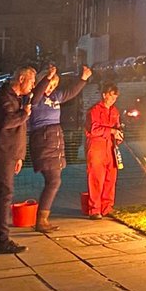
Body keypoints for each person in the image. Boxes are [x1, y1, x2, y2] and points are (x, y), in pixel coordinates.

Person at [0, 64, 37, 254]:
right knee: (4, 194)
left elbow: (15, 130)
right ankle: (3, 240)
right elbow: (7, 123)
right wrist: (25, 114)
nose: (33, 86)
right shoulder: (4, 98)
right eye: (32, 81)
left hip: (6, 152)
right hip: (0, 153)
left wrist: (18, 156)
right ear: (21, 79)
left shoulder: (13, 98)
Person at [29, 62, 93, 231]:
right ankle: (41, 220)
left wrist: (83, 79)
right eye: (50, 84)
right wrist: (47, 77)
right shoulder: (35, 100)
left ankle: (42, 219)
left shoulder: (54, 98)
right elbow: (36, 95)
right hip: (44, 140)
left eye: (55, 85)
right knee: (54, 181)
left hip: (55, 141)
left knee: (54, 181)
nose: (52, 88)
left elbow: (70, 92)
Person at [85, 81, 123, 218]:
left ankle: (107, 207)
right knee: (96, 178)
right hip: (96, 147)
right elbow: (94, 129)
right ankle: (94, 210)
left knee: (110, 178)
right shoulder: (94, 111)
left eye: (115, 97)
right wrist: (112, 131)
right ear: (104, 95)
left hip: (110, 148)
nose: (113, 99)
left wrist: (118, 135)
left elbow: (118, 127)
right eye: (111, 96)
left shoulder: (115, 111)